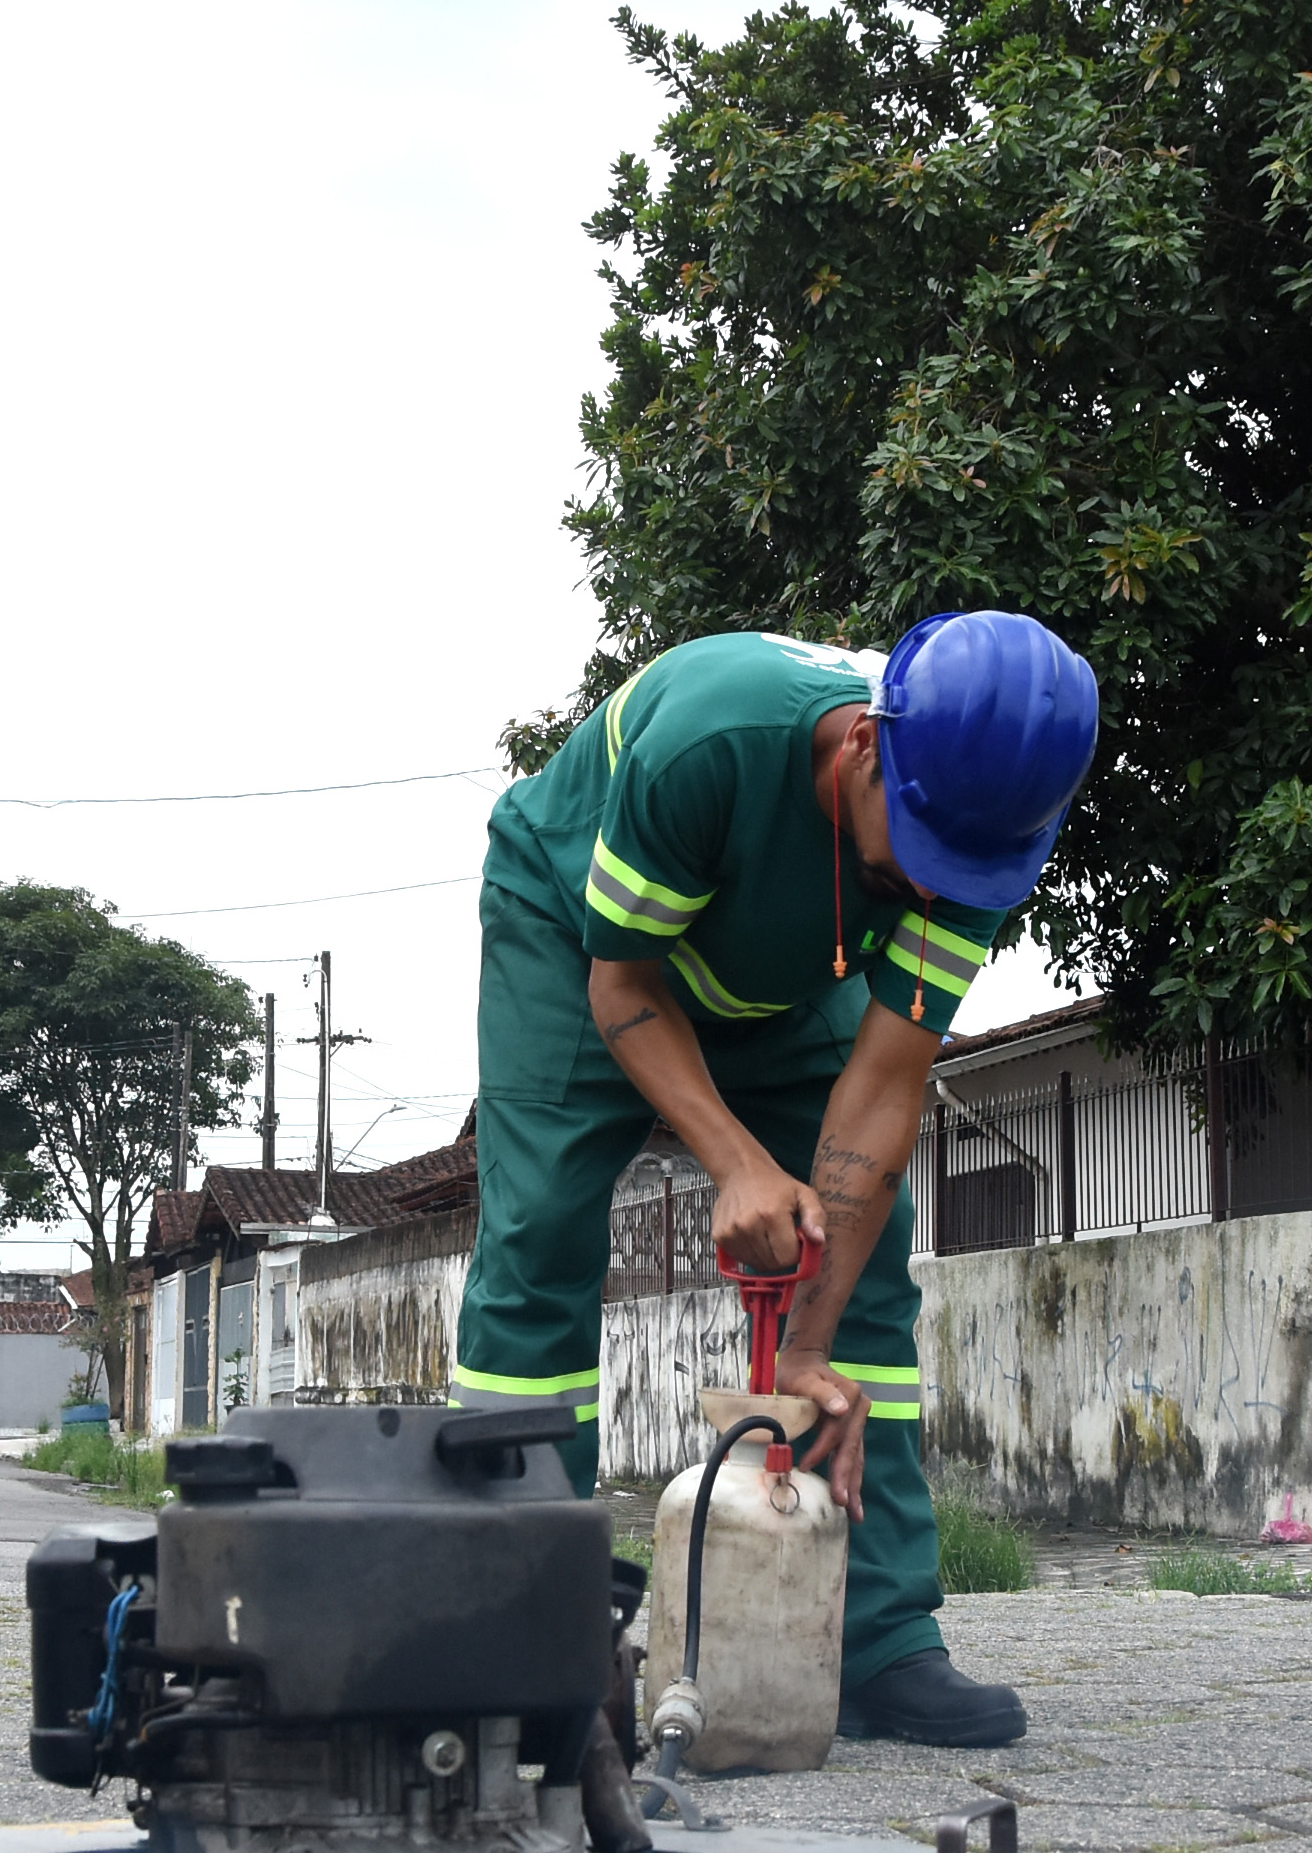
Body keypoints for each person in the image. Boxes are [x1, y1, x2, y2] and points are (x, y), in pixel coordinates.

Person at [455, 615, 1099, 1749]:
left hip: (788, 983)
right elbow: (623, 984)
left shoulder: (980, 830)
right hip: (582, 944)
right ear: (861, 748)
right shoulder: (712, 738)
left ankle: (875, 1635)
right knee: (540, 1235)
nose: (925, 880)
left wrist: (807, 1335)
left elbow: (887, 1085)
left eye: (959, 868)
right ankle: (519, 1629)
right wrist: (733, 1159)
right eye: (916, 845)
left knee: (864, 1265)